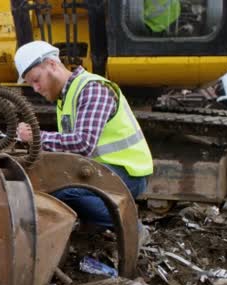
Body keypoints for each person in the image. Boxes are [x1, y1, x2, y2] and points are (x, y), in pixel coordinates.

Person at [14, 40, 153, 246]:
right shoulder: (66, 97)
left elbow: (83, 143)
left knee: (63, 192)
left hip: (127, 172)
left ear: (52, 64)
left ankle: (131, 225)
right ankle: (94, 222)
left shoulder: (92, 89)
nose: (35, 88)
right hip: (101, 169)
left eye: (36, 79)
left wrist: (37, 137)